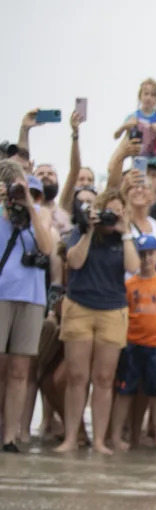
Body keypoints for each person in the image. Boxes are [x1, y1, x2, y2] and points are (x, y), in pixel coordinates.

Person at [56, 188, 140, 453]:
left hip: (112, 310)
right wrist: (90, 230)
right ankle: (71, 437)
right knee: (76, 376)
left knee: (104, 378)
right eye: (108, 210)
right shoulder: (81, 231)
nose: (111, 216)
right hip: (79, 306)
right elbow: (75, 263)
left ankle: (100, 440)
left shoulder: (124, 236)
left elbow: (133, 267)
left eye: (118, 211)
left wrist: (124, 230)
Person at [108, 234, 156, 454]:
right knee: (124, 393)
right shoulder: (129, 284)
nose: (146, 258)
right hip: (132, 344)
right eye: (142, 254)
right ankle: (115, 436)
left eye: (150, 253)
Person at [0, 160, 54, 452]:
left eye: (32, 192)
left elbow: (46, 247)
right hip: (2, 293)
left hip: (31, 297)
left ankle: (11, 435)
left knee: (21, 369)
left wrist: (30, 210)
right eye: (19, 190)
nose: (24, 196)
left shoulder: (41, 214)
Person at [114, 78, 156, 167]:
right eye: (146, 94)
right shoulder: (134, 116)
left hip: (155, 162)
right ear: (140, 96)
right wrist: (125, 126)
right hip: (138, 161)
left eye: (152, 95)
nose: (148, 98)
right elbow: (116, 135)